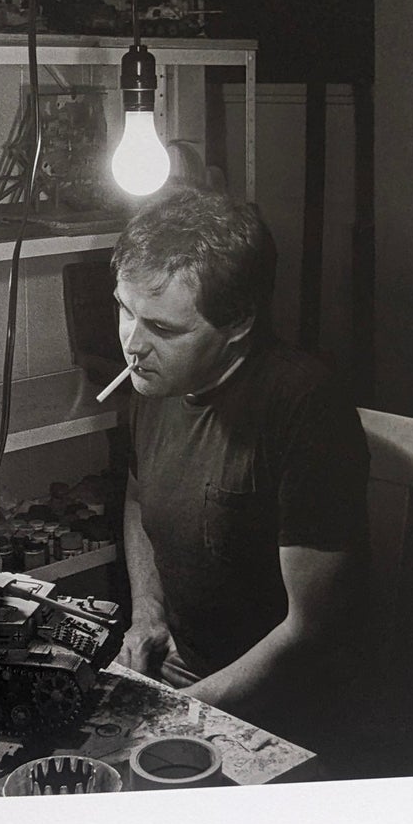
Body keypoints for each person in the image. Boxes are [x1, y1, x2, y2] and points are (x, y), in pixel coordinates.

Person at [110, 188, 368, 754]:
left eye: (164, 328)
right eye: (124, 310)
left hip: (288, 709)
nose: (132, 345)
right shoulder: (155, 379)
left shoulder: (306, 406)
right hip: (188, 672)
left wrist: (182, 715)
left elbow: (310, 633)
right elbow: (137, 498)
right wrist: (148, 614)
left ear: (238, 323)